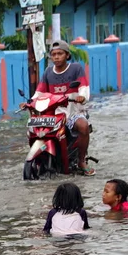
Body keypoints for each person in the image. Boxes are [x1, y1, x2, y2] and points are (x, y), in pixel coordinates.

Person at [26, 40, 94, 176]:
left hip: (72, 112)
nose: (56, 57)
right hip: (54, 114)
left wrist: (82, 96)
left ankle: (81, 161)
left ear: (67, 55)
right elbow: (39, 93)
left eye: (60, 54)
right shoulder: (48, 72)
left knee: (83, 126)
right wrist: (29, 103)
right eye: (53, 54)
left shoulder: (76, 69)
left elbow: (84, 87)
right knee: (34, 129)